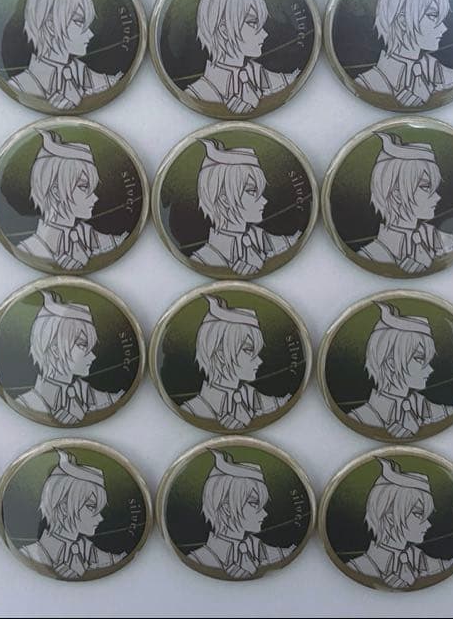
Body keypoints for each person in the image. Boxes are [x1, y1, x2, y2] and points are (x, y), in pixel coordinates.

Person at [9, 0, 122, 110]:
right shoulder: (20, 86)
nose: (90, 34)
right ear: (50, 25)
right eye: (79, 21)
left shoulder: (99, 81)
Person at [184, 0, 297, 113]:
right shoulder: (197, 94)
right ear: (224, 29)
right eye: (252, 23)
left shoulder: (278, 82)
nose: (265, 34)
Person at [357, 132, 453, 272]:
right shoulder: (369, 256)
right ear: (397, 194)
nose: (437, 197)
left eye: (434, 187)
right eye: (425, 187)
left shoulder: (435, 239)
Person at [16, 130, 126, 270]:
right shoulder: (28, 250)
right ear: (56, 191)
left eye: (92, 188)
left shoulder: (93, 238)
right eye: (84, 187)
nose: (95, 198)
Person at [190, 139, 300, 274]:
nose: (264, 201)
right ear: (224, 199)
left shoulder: (266, 241)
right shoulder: (202, 261)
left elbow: (295, 241)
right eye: (252, 191)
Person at [181, 295, 289, 430]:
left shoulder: (261, 402)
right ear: (220, 354)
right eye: (248, 350)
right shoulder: (192, 411)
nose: (259, 361)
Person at [15, 290, 123, 424]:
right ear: (55, 349)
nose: (93, 356)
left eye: (90, 347)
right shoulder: (26, 404)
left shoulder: (99, 399)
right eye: (82, 345)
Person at [349, 302, 453, 438]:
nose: (430, 370)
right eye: (419, 358)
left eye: (427, 360)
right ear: (392, 363)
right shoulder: (359, 419)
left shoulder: (438, 413)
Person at [348, 458, 453, 588]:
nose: (428, 524)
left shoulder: (437, 566)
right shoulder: (357, 568)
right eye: (418, 514)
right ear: (390, 517)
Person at [187, 449, 294, 578]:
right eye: (254, 503)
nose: (264, 514)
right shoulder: (198, 559)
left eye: (262, 505)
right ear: (227, 508)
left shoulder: (273, 554)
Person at [20, 449, 125, 578]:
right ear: (64, 507)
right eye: (91, 507)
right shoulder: (28, 555)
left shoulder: (102, 558)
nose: (100, 518)